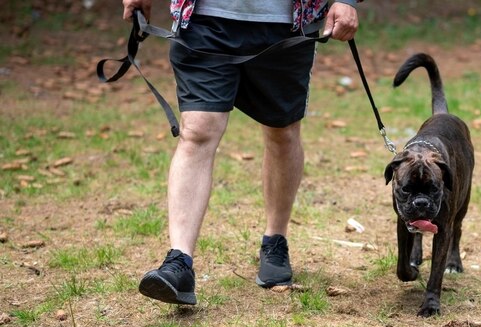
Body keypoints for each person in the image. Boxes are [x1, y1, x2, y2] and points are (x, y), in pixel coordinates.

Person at [120, 0, 361, 305]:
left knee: (282, 132)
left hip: (286, 23)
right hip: (204, 19)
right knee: (196, 132)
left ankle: (275, 239)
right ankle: (179, 262)